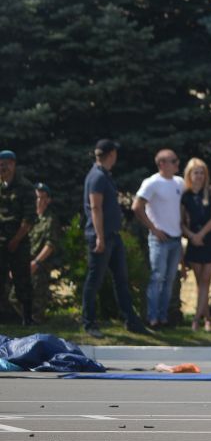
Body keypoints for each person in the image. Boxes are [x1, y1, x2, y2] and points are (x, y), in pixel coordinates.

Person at [80, 139, 148, 336]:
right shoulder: (97, 177)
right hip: (101, 237)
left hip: (112, 236)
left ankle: (130, 320)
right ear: (111, 155)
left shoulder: (105, 175)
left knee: (121, 279)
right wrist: (100, 237)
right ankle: (89, 322)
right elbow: (95, 207)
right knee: (95, 280)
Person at [133, 148, 185, 328]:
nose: (177, 164)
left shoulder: (179, 182)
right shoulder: (152, 182)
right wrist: (153, 229)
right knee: (157, 278)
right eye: (174, 161)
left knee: (170, 280)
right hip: (160, 239)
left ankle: (164, 317)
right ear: (162, 164)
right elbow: (137, 206)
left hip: (176, 238)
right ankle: (152, 317)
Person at [179, 158, 211, 331]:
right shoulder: (185, 196)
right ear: (189, 175)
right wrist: (192, 236)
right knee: (200, 283)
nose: (198, 176)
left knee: (206, 280)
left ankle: (196, 320)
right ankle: (208, 318)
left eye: (201, 173)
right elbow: (181, 221)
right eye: (195, 172)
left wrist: (201, 234)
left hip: (209, 240)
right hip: (194, 242)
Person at [0, 151, 33, 325]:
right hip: (1, 242)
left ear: (13, 164)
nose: (2, 168)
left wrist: (15, 240)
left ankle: (27, 317)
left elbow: (28, 219)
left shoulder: (25, 186)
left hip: (18, 242)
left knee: (22, 279)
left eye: (5, 164)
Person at [27, 183, 62, 320]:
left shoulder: (50, 220)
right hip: (24, 261)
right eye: (37, 198)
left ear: (48, 200)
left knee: (36, 305)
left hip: (40, 264)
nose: (39, 201)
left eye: (42, 198)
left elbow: (50, 245)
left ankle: (35, 320)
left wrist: (36, 262)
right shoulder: (30, 218)